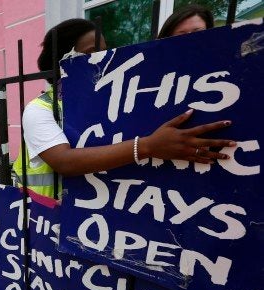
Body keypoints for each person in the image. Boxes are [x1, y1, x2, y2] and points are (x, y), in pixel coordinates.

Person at [12, 18, 235, 199]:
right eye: (92, 53)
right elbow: (65, 162)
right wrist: (148, 146)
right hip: (49, 215)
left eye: (106, 51)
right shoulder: (39, 109)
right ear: (62, 62)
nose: (105, 58)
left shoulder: (114, 100)